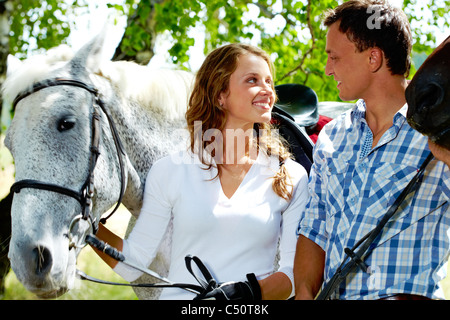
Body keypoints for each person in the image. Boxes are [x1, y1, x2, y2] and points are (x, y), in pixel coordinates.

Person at [93, 43, 309, 300]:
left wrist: (246, 292)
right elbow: (133, 264)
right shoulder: (170, 170)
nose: (267, 91)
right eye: (252, 80)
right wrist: (89, 227)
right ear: (221, 95)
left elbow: (294, 276)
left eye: (269, 82)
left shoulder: (292, 175)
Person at [294, 0, 450, 300]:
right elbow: (314, 229)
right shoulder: (331, 135)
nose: (327, 69)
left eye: (334, 57)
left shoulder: (437, 136)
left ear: (373, 59)